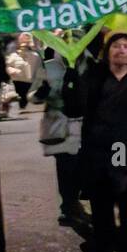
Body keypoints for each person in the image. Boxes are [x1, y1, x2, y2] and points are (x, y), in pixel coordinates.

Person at [81, 32, 127, 252]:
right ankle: (105, 247)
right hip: (101, 150)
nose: (122, 50)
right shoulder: (95, 76)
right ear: (107, 50)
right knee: (102, 204)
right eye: (116, 46)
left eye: (126, 46)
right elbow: (79, 106)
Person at [32, 44, 91, 231]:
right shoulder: (49, 66)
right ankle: (68, 207)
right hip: (60, 128)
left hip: (86, 127)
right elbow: (34, 95)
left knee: (82, 169)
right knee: (66, 169)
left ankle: (74, 204)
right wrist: (44, 92)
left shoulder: (90, 63)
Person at [5, 33, 42, 111]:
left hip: (29, 79)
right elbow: (8, 66)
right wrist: (12, 71)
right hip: (17, 79)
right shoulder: (14, 55)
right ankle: (20, 107)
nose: (23, 48)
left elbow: (39, 67)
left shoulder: (35, 55)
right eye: (22, 46)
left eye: (25, 46)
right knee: (19, 94)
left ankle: (22, 107)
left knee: (25, 95)